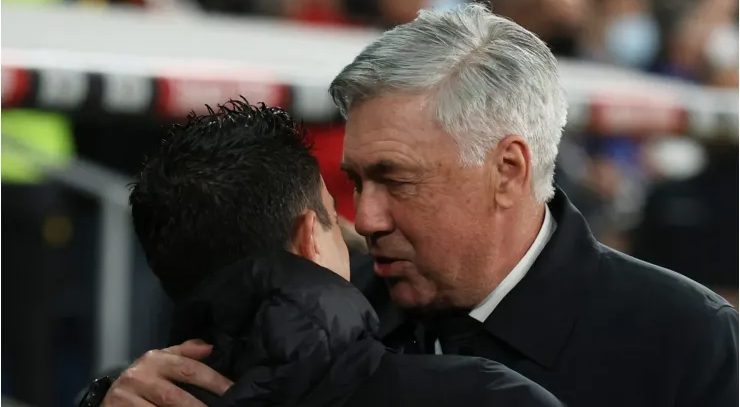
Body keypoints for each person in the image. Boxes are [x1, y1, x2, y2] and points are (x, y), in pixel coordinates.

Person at [94, 3, 738, 407]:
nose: (364, 218)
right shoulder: (310, 313)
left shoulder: (688, 340)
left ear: (507, 170)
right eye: (355, 180)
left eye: (395, 180)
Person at [79, 99, 562, 406]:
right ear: (309, 237)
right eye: (335, 213)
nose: (362, 225)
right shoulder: (486, 398)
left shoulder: (125, 397)